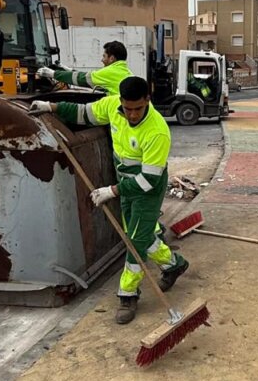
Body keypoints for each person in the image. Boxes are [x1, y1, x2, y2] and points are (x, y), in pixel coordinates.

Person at [31, 75, 189, 323]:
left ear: (148, 100)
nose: (133, 115)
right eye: (128, 109)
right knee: (140, 235)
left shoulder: (157, 131)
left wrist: (111, 191)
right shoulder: (112, 106)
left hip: (147, 189)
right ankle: (173, 264)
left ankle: (127, 295)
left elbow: (149, 181)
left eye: (138, 109)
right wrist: (50, 107)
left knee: (134, 242)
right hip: (125, 182)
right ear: (121, 103)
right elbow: (84, 113)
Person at [38, 40, 131, 95]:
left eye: (104, 56)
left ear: (111, 58)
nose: (102, 60)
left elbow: (82, 79)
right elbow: (89, 77)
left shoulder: (110, 72)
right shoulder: (125, 72)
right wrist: (69, 70)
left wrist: (53, 74)